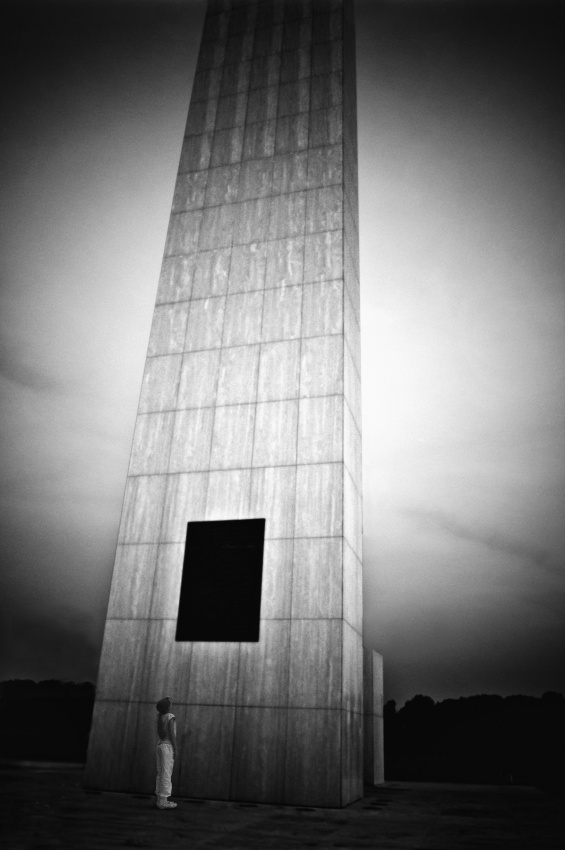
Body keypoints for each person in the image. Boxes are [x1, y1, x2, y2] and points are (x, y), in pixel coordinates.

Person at [155, 696, 177, 809]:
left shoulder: (160, 717)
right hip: (167, 747)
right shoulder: (170, 716)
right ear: (167, 707)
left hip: (159, 746)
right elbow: (172, 734)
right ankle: (164, 801)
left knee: (160, 773)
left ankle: (160, 800)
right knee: (166, 773)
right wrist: (176, 749)